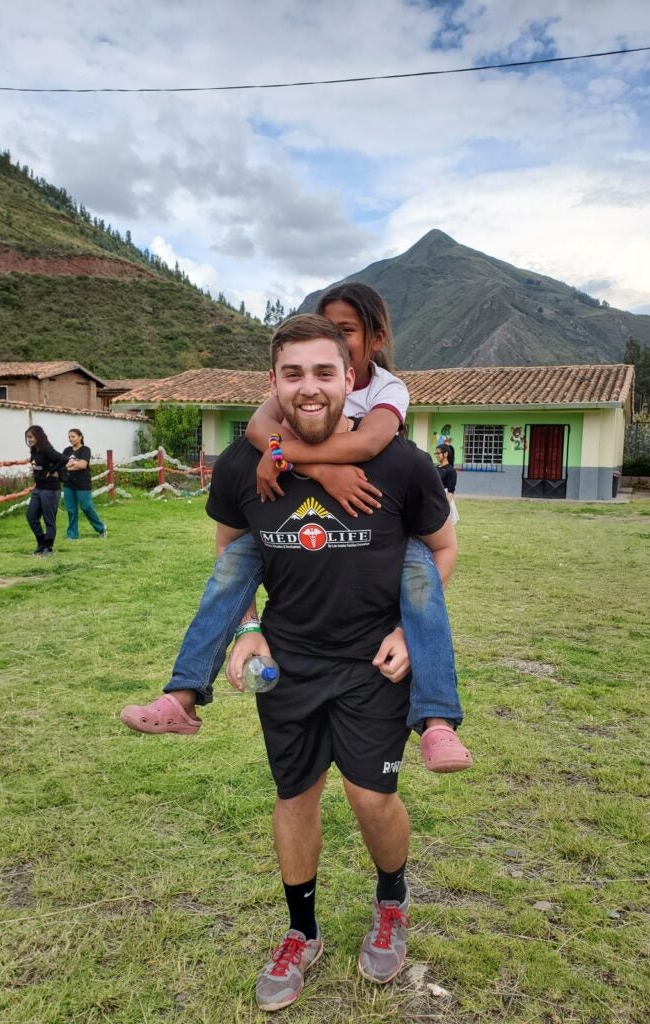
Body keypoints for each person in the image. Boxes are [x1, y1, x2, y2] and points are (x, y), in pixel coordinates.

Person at [210, 313, 458, 1010]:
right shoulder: (242, 465)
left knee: (370, 796)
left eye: (324, 372)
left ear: (349, 378)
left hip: (372, 662)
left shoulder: (402, 463)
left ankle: (391, 901)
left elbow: (441, 550)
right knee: (295, 797)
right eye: (293, 374)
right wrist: (250, 627)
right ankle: (302, 931)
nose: (309, 387)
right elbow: (231, 557)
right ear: (273, 382)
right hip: (287, 663)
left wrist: (413, 634)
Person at [120, 283, 471, 773]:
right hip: (298, 526)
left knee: (421, 591)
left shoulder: (388, 389)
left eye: (346, 331)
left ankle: (437, 721)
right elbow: (261, 430)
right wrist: (285, 455)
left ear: (372, 340)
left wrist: (286, 457)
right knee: (228, 572)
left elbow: (369, 444)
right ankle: (182, 695)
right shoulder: (297, 384)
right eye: (328, 328)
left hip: (392, 519)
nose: (336, 339)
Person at [24, 425, 69, 556]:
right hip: (38, 489)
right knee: (31, 516)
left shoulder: (46, 449)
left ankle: (48, 548)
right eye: (28, 438)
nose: (29, 440)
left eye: (31, 437)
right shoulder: (34, 450)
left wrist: (51, 471)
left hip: (50, 489)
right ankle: (41, 544)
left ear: (38, 436)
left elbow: (63, 459)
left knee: (49, 520)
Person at [62, 428, 107, 540]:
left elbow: (82, 465)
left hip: (82, 483)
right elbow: (62, 465)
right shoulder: (67, 451)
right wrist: (71, 465)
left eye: (73, 436)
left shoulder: (85, 450)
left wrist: (69, 465)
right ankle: (72, 534)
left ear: (80, 437)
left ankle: (101, 528)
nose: (71, 439)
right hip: (68, 484)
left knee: (87, 507)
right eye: (69, 437)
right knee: (71, 509)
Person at [435, 443, 459, 525]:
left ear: (445, 454)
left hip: (444, 500)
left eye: (438, 453)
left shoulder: (451, 471)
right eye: (435, 453)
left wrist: (445, 507)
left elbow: (450, 491)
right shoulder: (436, 468)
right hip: (434, 499)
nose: (436, 455)